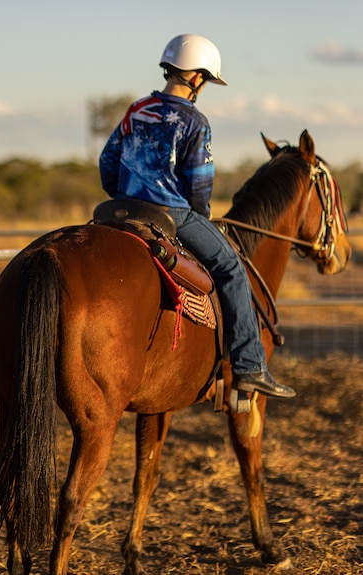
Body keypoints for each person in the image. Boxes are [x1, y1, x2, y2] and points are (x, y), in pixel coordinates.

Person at [98, 34, 296, 399]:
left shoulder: (136, 110)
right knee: (232, 269)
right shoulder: (194, 120)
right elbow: (200, 187)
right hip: (170, 213)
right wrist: (200, 218)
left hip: (120, 209)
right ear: (198, 77)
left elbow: (107, 165)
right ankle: (250, 366)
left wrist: (127, 194)